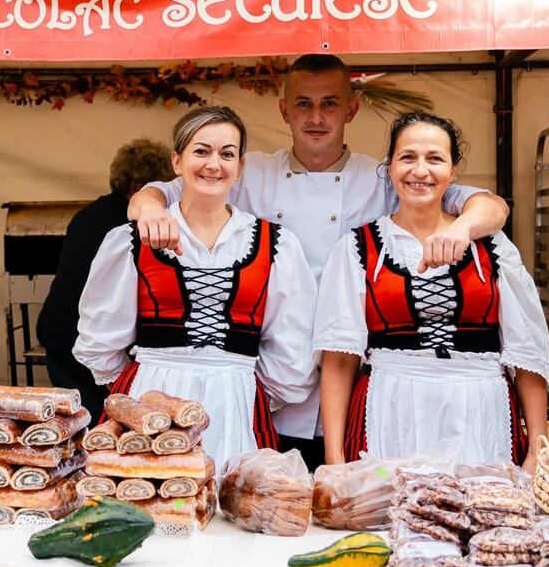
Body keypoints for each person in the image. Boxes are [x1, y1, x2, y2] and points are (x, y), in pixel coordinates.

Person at [127, 54, 510, 469]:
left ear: (350, 108)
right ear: (284, 109)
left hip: (352, 380)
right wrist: (148, 209)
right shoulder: (248, 169)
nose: (316, 117)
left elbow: (489, 207)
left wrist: (460, 229)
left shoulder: (384, 176)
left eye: (329, 103)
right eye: (304, 104)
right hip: (273, 388)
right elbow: (157, 193)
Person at [74, 106, 318, 472]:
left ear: (240, 166)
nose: (213, 164)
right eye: (201, 151)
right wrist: (143, 386)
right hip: (151, 397)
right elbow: (100, 341)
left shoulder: (276, 244)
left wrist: (242, 388)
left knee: (235, 508)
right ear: (177, 161)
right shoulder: (131, 240)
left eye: (227, 153)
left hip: (236, 398)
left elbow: (293, 346)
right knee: (151, 504)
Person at [313, 112, 548, 472]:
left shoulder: (492, 247)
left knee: (482, 520)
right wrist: (334, 460)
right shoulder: (358, 248)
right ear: (389, 168)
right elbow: (340, 358)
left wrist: (537, 448)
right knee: (386, 521)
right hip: (391, 408)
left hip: (478, 409)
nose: (420, 170)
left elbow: (525, 354)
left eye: (434, 159)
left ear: (453, 172)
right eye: (407, 157)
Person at [37, 138, 173, 421]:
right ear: (138, 189)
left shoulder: (88, 214)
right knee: (100, 426)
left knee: (78, 423)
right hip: (82, 342)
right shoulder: (127, 228)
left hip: (58, 334)